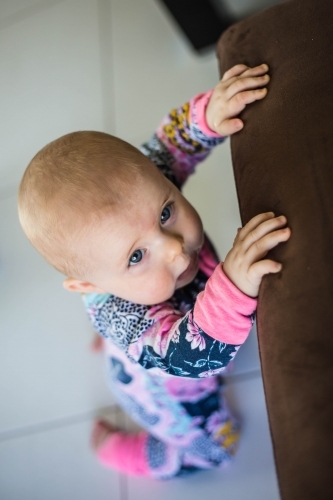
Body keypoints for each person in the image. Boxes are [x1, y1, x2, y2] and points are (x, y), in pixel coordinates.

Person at [18, 63, 290, 479]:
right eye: (135, 256)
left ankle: (112, 339)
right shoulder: (122, 314)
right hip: (169, 391)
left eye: (165, 212)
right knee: (218, 451)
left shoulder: (138, 186)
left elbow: (169, 144)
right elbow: (186, 355)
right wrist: (231, 285)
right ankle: (126, 453)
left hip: (156, 336)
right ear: (89, 286)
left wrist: (208, 117)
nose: (177, 252)